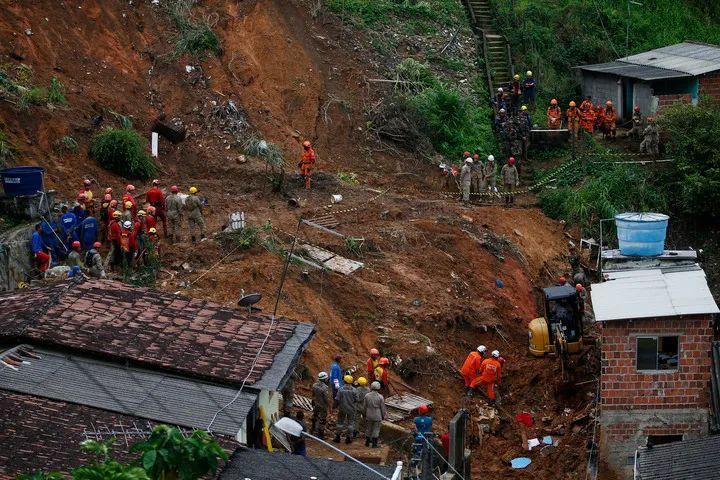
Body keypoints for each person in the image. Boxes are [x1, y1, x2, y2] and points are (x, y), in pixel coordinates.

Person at [334, 374, 357, 444]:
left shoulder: (341, 389)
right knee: (351, 423)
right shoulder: (354, 390)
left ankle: (337, 437)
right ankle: (348, 438)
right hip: (351, 409)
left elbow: (337, 399)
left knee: (340, 423)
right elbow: (356, 399)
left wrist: (334, 406)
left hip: (342, 408)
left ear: (344, 381)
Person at [363, 381, 387, 448]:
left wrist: (364, 414)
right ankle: (374, 444)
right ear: (378, 388)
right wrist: (384, 415)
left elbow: (364, 406)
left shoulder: (367, 396)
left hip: (369, 414)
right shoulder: (380, 397)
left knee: (368, 428)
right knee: (376, 429)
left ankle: (367, 442)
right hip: (377, 414)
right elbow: (383, 408)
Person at [311, 371, 331, 439]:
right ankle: (320, 435)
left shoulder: (314, 385)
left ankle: (312, 430)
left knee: (315, 416)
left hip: (316, 404)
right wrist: (329, 406)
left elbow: (313, 395)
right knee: (322, 420)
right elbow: (326, 399)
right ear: (324, 379)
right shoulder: (325, 388)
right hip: (322, 405)